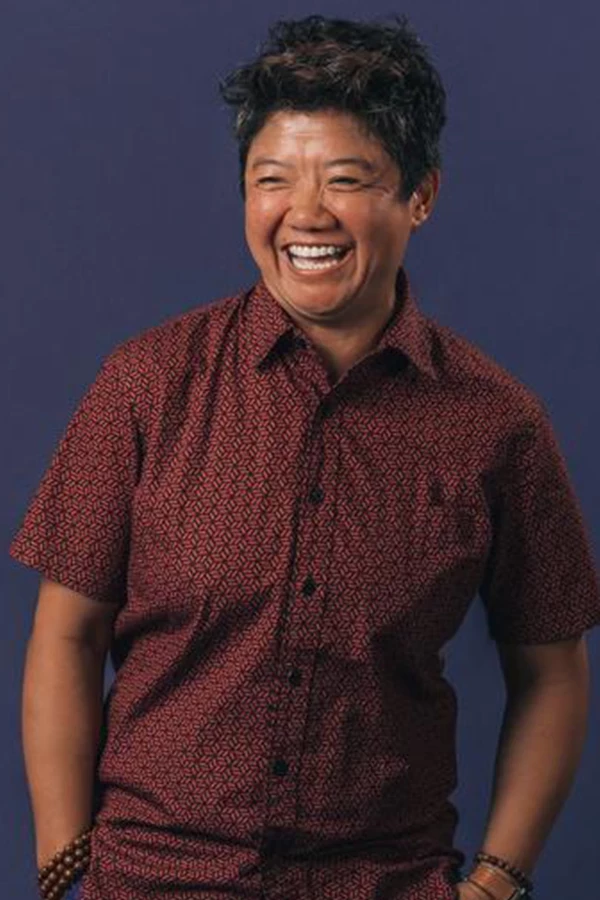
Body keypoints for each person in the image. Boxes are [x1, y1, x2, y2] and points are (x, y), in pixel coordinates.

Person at [9, 13, 600, 900]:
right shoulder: (146, 384)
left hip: (386, 881)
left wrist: (496, 884)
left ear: (421, 195)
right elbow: (67, 633)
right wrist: (66, 868)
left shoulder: (497, 423)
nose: (306, 213)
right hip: (155, 879)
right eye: (272, 179)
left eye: (347, 179)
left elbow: (552, 669)